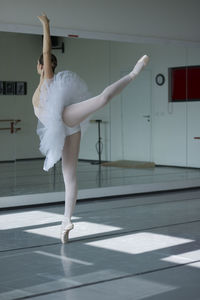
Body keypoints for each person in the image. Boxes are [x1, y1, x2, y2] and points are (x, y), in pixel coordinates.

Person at [32, 13, 149, 244]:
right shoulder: (43, 83)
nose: (45, 65)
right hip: (63, 131)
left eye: (46, 64)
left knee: (102, 99)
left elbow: (46, 52)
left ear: (42, 66)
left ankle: (133, 73)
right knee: (69, 176)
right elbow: (47, 57)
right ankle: (66, 221)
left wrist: (46, 26)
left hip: (65, 118)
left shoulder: (47, 79)